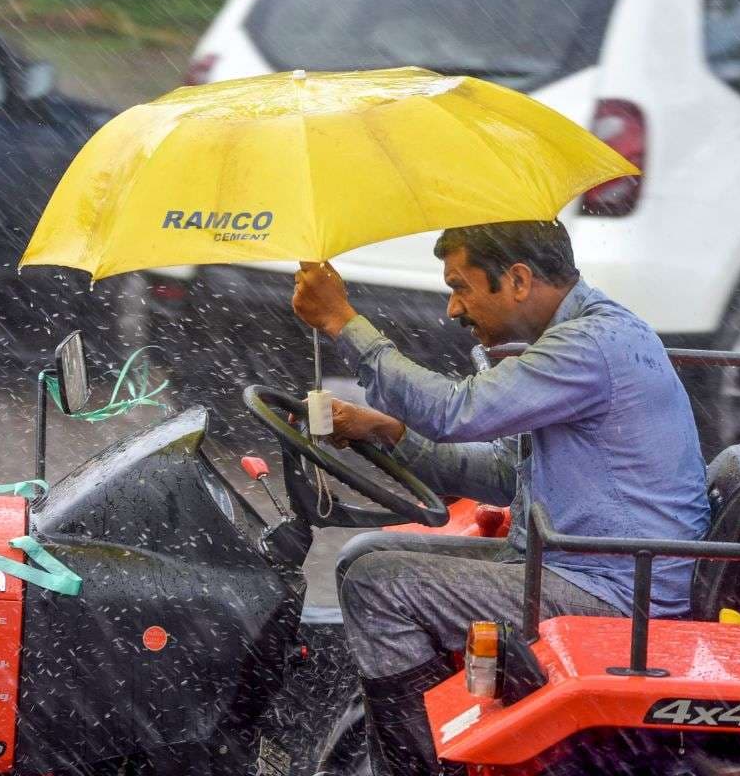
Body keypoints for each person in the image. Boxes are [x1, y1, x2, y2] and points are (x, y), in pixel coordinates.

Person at [291, 220, 711, 776]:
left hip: (613, 592)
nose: (453, 311)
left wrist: (343, 321)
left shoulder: (591, 345)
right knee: (361, 558)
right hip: (576, 564)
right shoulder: (583, 341)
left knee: (380, 586)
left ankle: (420, 766)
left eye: (461, 287)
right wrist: (389, 432)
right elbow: (501, 473)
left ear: (516, 279)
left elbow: (454, 411)